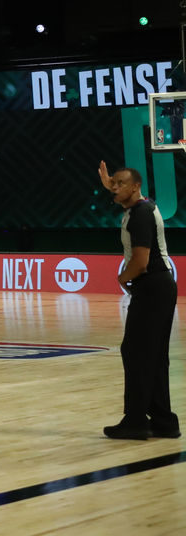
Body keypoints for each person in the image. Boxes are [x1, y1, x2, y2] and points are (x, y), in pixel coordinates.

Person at [96, 162, 180, 440]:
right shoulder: (144, 206)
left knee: (135, 353)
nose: (115, 187)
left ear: (136, 187)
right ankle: (163, 421)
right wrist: (113, 185)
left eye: (121, 184)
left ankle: (135, 421)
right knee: (154, 356)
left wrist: (122, 278)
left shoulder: (140, 215)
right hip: (161, 287)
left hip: (151, 286)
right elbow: (126, 196)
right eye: (113, 184)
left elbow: (141, 261)